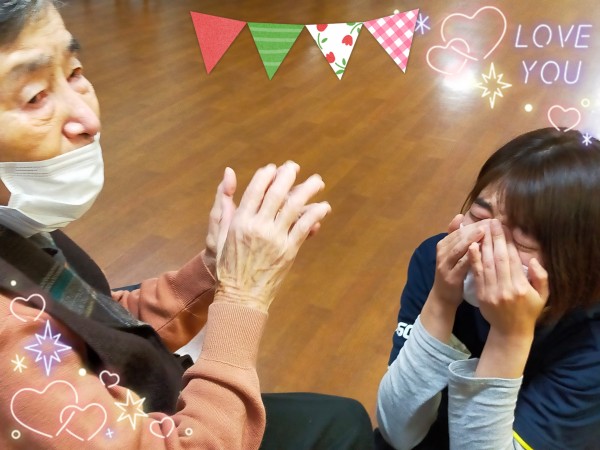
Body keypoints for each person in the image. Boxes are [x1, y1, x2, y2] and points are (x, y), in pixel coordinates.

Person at [0, 1, 374, 449]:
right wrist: (243, 297)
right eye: (35, 96)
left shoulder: (16, 227)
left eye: (74, 71)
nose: (89, 120)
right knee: (342, 426)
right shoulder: (10, 346)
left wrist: (212, 271)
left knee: (339, 415)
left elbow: (97, 323)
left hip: (143, 397)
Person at [376, 128, 600, 449]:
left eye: (521, 241)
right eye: (478, 215)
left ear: (578, 261)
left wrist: (509, 336)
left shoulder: (590, 343)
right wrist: (441, 300)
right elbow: (396, 432)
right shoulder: (439, 261)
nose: (482, 245)